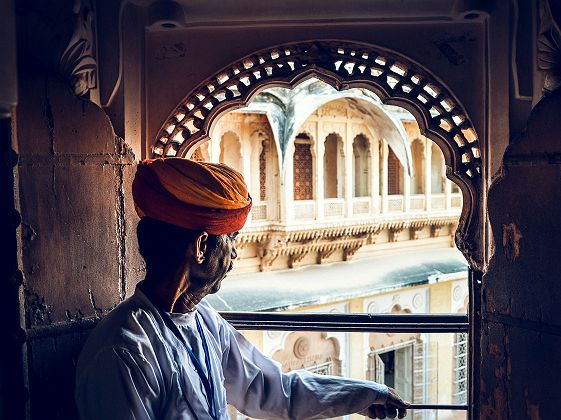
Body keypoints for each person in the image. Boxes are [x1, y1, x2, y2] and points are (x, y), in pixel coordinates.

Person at [75, 157, 409, 419]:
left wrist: (365, 394)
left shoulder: (204, 321)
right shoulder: (125, 351)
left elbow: (272, 390)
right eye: (232, 239)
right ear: (202, 246)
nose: (235, 253)